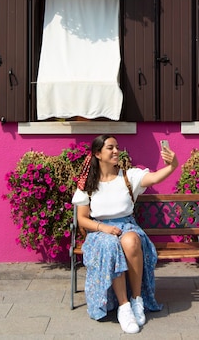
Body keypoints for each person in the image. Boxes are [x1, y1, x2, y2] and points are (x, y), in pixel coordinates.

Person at [72, 134, 178, 334]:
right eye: (110, 148)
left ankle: (137, 300)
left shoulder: (129, 176)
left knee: (131, 241)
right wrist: (104, 229)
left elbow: (154, 177)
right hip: (99, 231)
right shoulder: (87, 184)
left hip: (127, 225)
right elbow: (83, 219)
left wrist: (172, 165)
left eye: (117, 147)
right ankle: (124, 307)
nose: (116, 151)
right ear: (98, 154)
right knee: (110, 244)